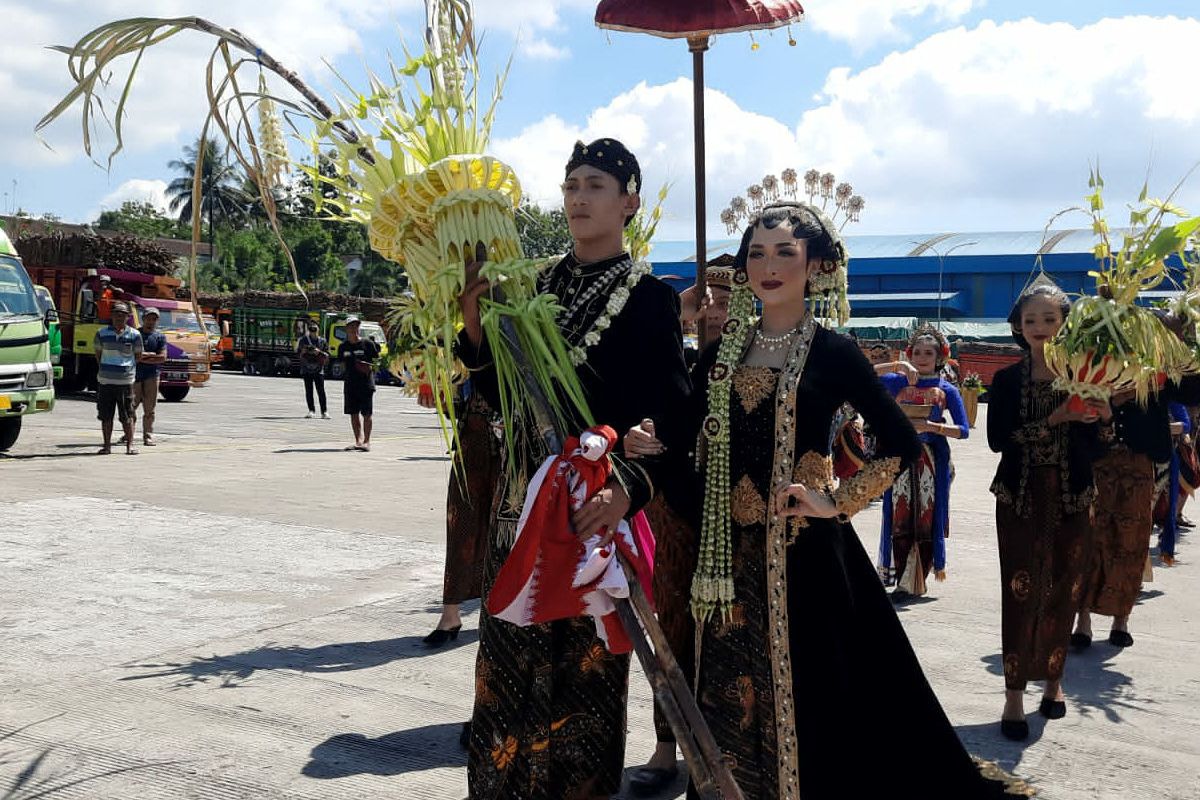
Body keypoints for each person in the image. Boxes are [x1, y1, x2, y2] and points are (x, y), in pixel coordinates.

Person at [626, 202, 1029, 799]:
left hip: (805, 560)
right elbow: (682, 437)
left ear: (816, 265)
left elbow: (899, 443)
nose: (768, 266)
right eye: (756, 253)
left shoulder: (834, 352)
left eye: (784, 252)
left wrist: (835, 502)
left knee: (816, 700)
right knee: (728, 695)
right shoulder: (719, 356)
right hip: (725, 563)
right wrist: (647, 439)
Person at [457, 138, 690, 800]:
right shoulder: (528, 287)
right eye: (571, 186)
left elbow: (674, 412)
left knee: (584, 677)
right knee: (507, 663)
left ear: (629, 203)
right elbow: (500, 393)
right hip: (524, 504)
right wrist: (473, 327)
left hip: (593, 512)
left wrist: (626, 491)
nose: (579, 198)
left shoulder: (650, 298)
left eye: (595, 186)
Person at [988, 281, 1108, 741]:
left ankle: (1054, 683)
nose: (1039, 327)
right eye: (1030, 319)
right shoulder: (1005, 379)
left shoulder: (1086, 376)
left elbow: (1100, 449)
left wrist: (1104, 417)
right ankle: (1014, 695)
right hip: (1020, 497)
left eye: (1049, 319)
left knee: (1063, 589)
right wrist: (1055, 419)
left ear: (1065, 324)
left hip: (1072, 497)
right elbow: (998, 440)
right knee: (1020, 593)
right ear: (1018, 326)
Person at [1075, 373, 1200, 649]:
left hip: (1141, 463)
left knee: (1131, 543)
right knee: (1091, 540)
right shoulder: (1096, 363)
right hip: (1098, 461)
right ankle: (1082, 620)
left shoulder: (1155, 367)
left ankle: (1121, 619)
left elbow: (1191, 392)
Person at [873, 326, 969, 594]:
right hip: (900, 460)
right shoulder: (897, 381)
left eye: (929, 353)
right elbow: (863, 375)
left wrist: (931, 427)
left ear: (940, 357)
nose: (922, 357)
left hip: (931, 461)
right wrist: (897, 365)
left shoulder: (946, 389)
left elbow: (963, 430)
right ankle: (904, 580)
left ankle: (916, 581)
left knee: (925, 519)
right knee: (900, 517)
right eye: (917, 352)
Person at [424, 379, 501, 648]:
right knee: (460, 527)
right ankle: (450, 615)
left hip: (511, 450)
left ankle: (498, 614)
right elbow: (456, 407)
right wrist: (439, 398)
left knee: (504, 531)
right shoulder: (465, 362)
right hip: (470, 447)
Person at [93, 302, 143, 455]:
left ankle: (130, 446)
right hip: (106, 381)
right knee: (106, 416)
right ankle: (107, 446)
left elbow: (138, 356)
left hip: (125, 382)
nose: (119, 317)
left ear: (128, 317)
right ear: (112, 316)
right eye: (116, 314)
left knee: (127, 415)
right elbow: (98, 355)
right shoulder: (101, 333)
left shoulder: (135, 335)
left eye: (123, 314)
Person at [338, 316, 379, 451]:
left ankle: (367, 441)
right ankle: (358, 441)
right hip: (350, 384)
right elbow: (341, 363)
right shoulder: (343, 347)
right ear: (346, 329)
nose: (354, 328)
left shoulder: (368, 344)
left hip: (366, 383)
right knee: (353, 413)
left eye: (356, 325)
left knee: (367, 414)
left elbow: (377, 363)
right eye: (351, 326)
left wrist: (369, 367)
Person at [131, 307, 167, 447]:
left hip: (152, 376)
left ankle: (148, 435)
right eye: (148, 318)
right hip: (134, 376)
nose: (151, 322)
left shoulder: (159, 337)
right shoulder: (135, 334)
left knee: (149, 409)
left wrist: (143, 357)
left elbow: (162, 357)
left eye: (154, 319)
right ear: (143, 319)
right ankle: (129, 434)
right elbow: (132, 355)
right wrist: (150, 355)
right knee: (131, 407)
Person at [296, 321, 330, 419]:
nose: (313, 331)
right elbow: (298, 353)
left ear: (318, 330)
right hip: (306, 369)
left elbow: (327, 354)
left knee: (321, 391)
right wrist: (303, 351)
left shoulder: (322, 341)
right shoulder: (303, 340)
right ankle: (311, 410)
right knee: (309, 391)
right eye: (311, 329)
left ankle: (324, 411)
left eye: (315, 329)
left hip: (319, 369)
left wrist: (319, 352)